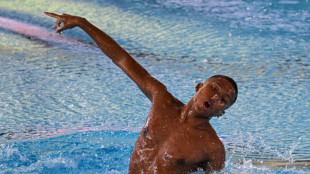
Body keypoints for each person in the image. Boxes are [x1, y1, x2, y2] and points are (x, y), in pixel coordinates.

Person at [44, 11, 238, 173]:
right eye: (214, 88)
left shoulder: (212, 147)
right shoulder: (161, 99)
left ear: (221, 113)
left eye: (223, 99)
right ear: (199, 87)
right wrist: (82, 23)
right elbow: (121, 59)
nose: (215, 97)